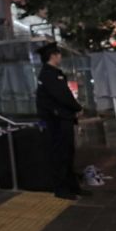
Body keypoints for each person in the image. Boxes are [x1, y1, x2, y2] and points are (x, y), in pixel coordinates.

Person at [35, 43, 90, 200]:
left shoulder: (52, 73)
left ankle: (72, 186)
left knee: (67, 153)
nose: (60, 57)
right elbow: (62, 95)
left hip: (62, 119)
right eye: (58, 54)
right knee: (61, 154)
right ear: (52, 56)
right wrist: (78, 108)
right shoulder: (49, 74)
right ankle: (62, 189)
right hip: (57, 120)